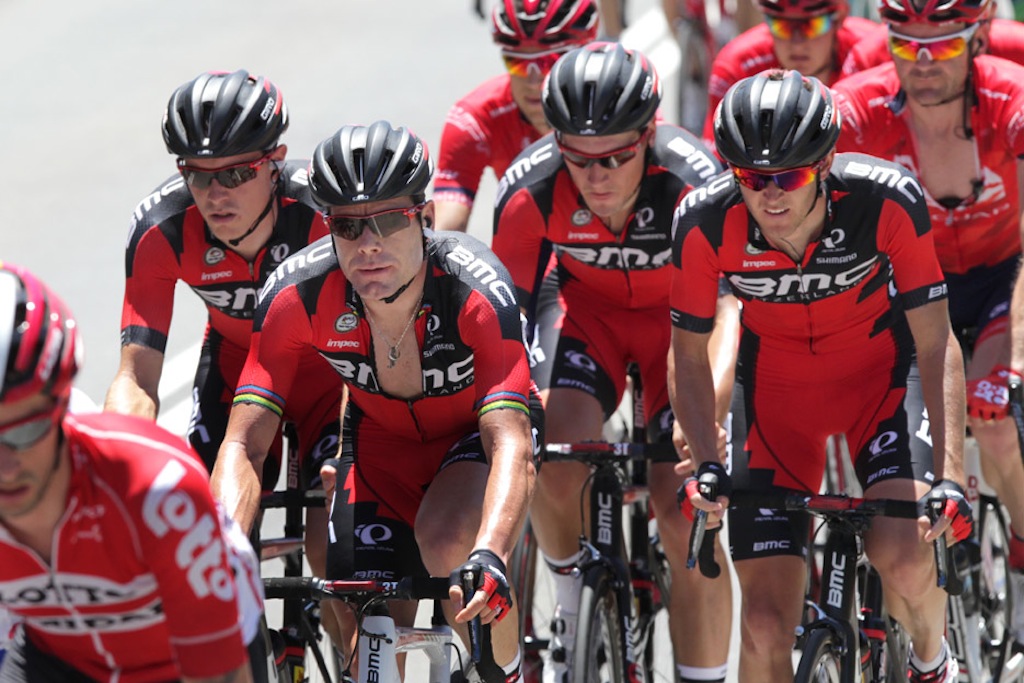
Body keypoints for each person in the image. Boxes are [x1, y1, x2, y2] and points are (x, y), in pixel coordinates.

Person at [210, 121, 541, 683]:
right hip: (379, 451)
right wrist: (224, 544)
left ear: (425, 217)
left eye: (389, 221)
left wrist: (490, 551)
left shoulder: (476, 293)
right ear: (328, 228)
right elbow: (245, 439)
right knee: (366, 645)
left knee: (447, 541)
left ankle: (504, 673)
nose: (368, 245)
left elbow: (510, 438)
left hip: (471, 444)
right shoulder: (297, 296)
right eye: (348, 227)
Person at [672, 70, 972, 682]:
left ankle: (932, 661)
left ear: (827, 161)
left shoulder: (887, 199)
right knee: (761, 622)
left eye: (790, 175)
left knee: (904, 558)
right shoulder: (703, 220)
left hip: (881, 386)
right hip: (777, 401)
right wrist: (706, 458)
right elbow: (687, 352)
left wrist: (952, 477)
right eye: (753, 179)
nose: (770, 195)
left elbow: (937, 340)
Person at [492, 42, 738, 683]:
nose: (597, 178)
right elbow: (500, 333)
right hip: (586, 320)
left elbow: (733, 310)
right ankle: (573, 602)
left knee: (683, 507)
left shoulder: (697, 183)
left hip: (680, 335)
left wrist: (704, 415)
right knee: (546, 451)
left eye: (617, 157)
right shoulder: (530, 189)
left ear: (649, 135)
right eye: (578, 158)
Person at [102, 70, 344, 641]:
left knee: (332, 544)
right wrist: (113, 459)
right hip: (236, 378)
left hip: (331, 381)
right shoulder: (161, 227)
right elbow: (136, 376)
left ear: (275, 161)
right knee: (206, 538)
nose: (216, 194)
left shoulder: (323, 215)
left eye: (237, 173)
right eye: (198, 175)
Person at [830, 0, 1024, 648]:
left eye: (940, 48)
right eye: (905, 45)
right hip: (916, 290)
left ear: (976, 41)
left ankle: (1022, 557)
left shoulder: (1010, 96)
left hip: (1004, 276)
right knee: (906, 452)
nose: (921, 64)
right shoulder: (861, 105)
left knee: (995, 422)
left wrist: (1014, 365)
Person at [0, 263, 263, 683]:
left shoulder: (159, 494)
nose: (5, 464)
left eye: (25, 429)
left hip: (181, 658)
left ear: (61, 408)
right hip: (59, 654)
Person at [434, 0, 598, 234]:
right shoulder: (476, 118)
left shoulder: (621, 105)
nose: (532, 80)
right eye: (517, 63)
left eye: (548, 62)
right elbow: (445, 231)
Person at [701, 0, 879, 149]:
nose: (797, 43)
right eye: (782, 26)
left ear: (839, 19)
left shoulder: (873, 52)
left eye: (813, 26)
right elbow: (718, 159)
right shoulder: (736, 65)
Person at [839, 0, 1024, 76]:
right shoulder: (866, 58)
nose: (924, 64)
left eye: (947, 46)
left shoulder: (1015, 45)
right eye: (905, 45)